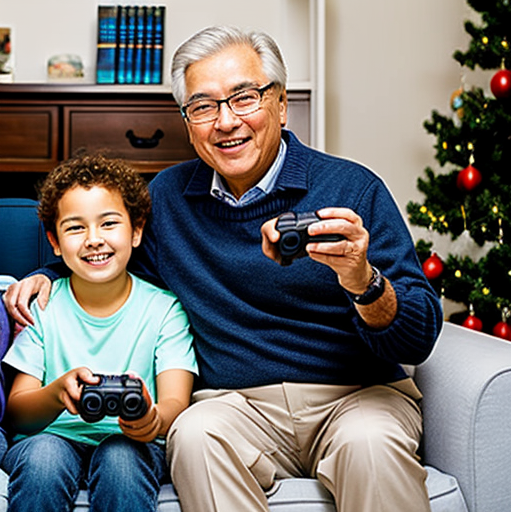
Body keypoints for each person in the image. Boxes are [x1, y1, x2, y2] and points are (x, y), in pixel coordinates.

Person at [3, 26, 442, 512]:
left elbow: (417, 337)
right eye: (204, 106)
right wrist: (45, 275)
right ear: (188, 121)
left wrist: (363, 280)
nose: (226, 121)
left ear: (280, 104)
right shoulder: (166, 201)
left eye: (244, 98)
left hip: (357, 395)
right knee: (194, 434)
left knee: (370, 444)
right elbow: (105, 258)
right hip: (235, 404)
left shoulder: (353, 189)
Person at [1, 154, 197, 512]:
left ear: (137, 231)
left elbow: (175, 403)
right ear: (55, 242)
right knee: (43, 458)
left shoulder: (165, 309)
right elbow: (16, 413)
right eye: (75, 228)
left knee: (121, 458)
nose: (94, 239)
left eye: (109, 224)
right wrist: (59, 392)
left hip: (134, 442)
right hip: (51, 435)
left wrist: (151, 421)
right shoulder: (42, 306)